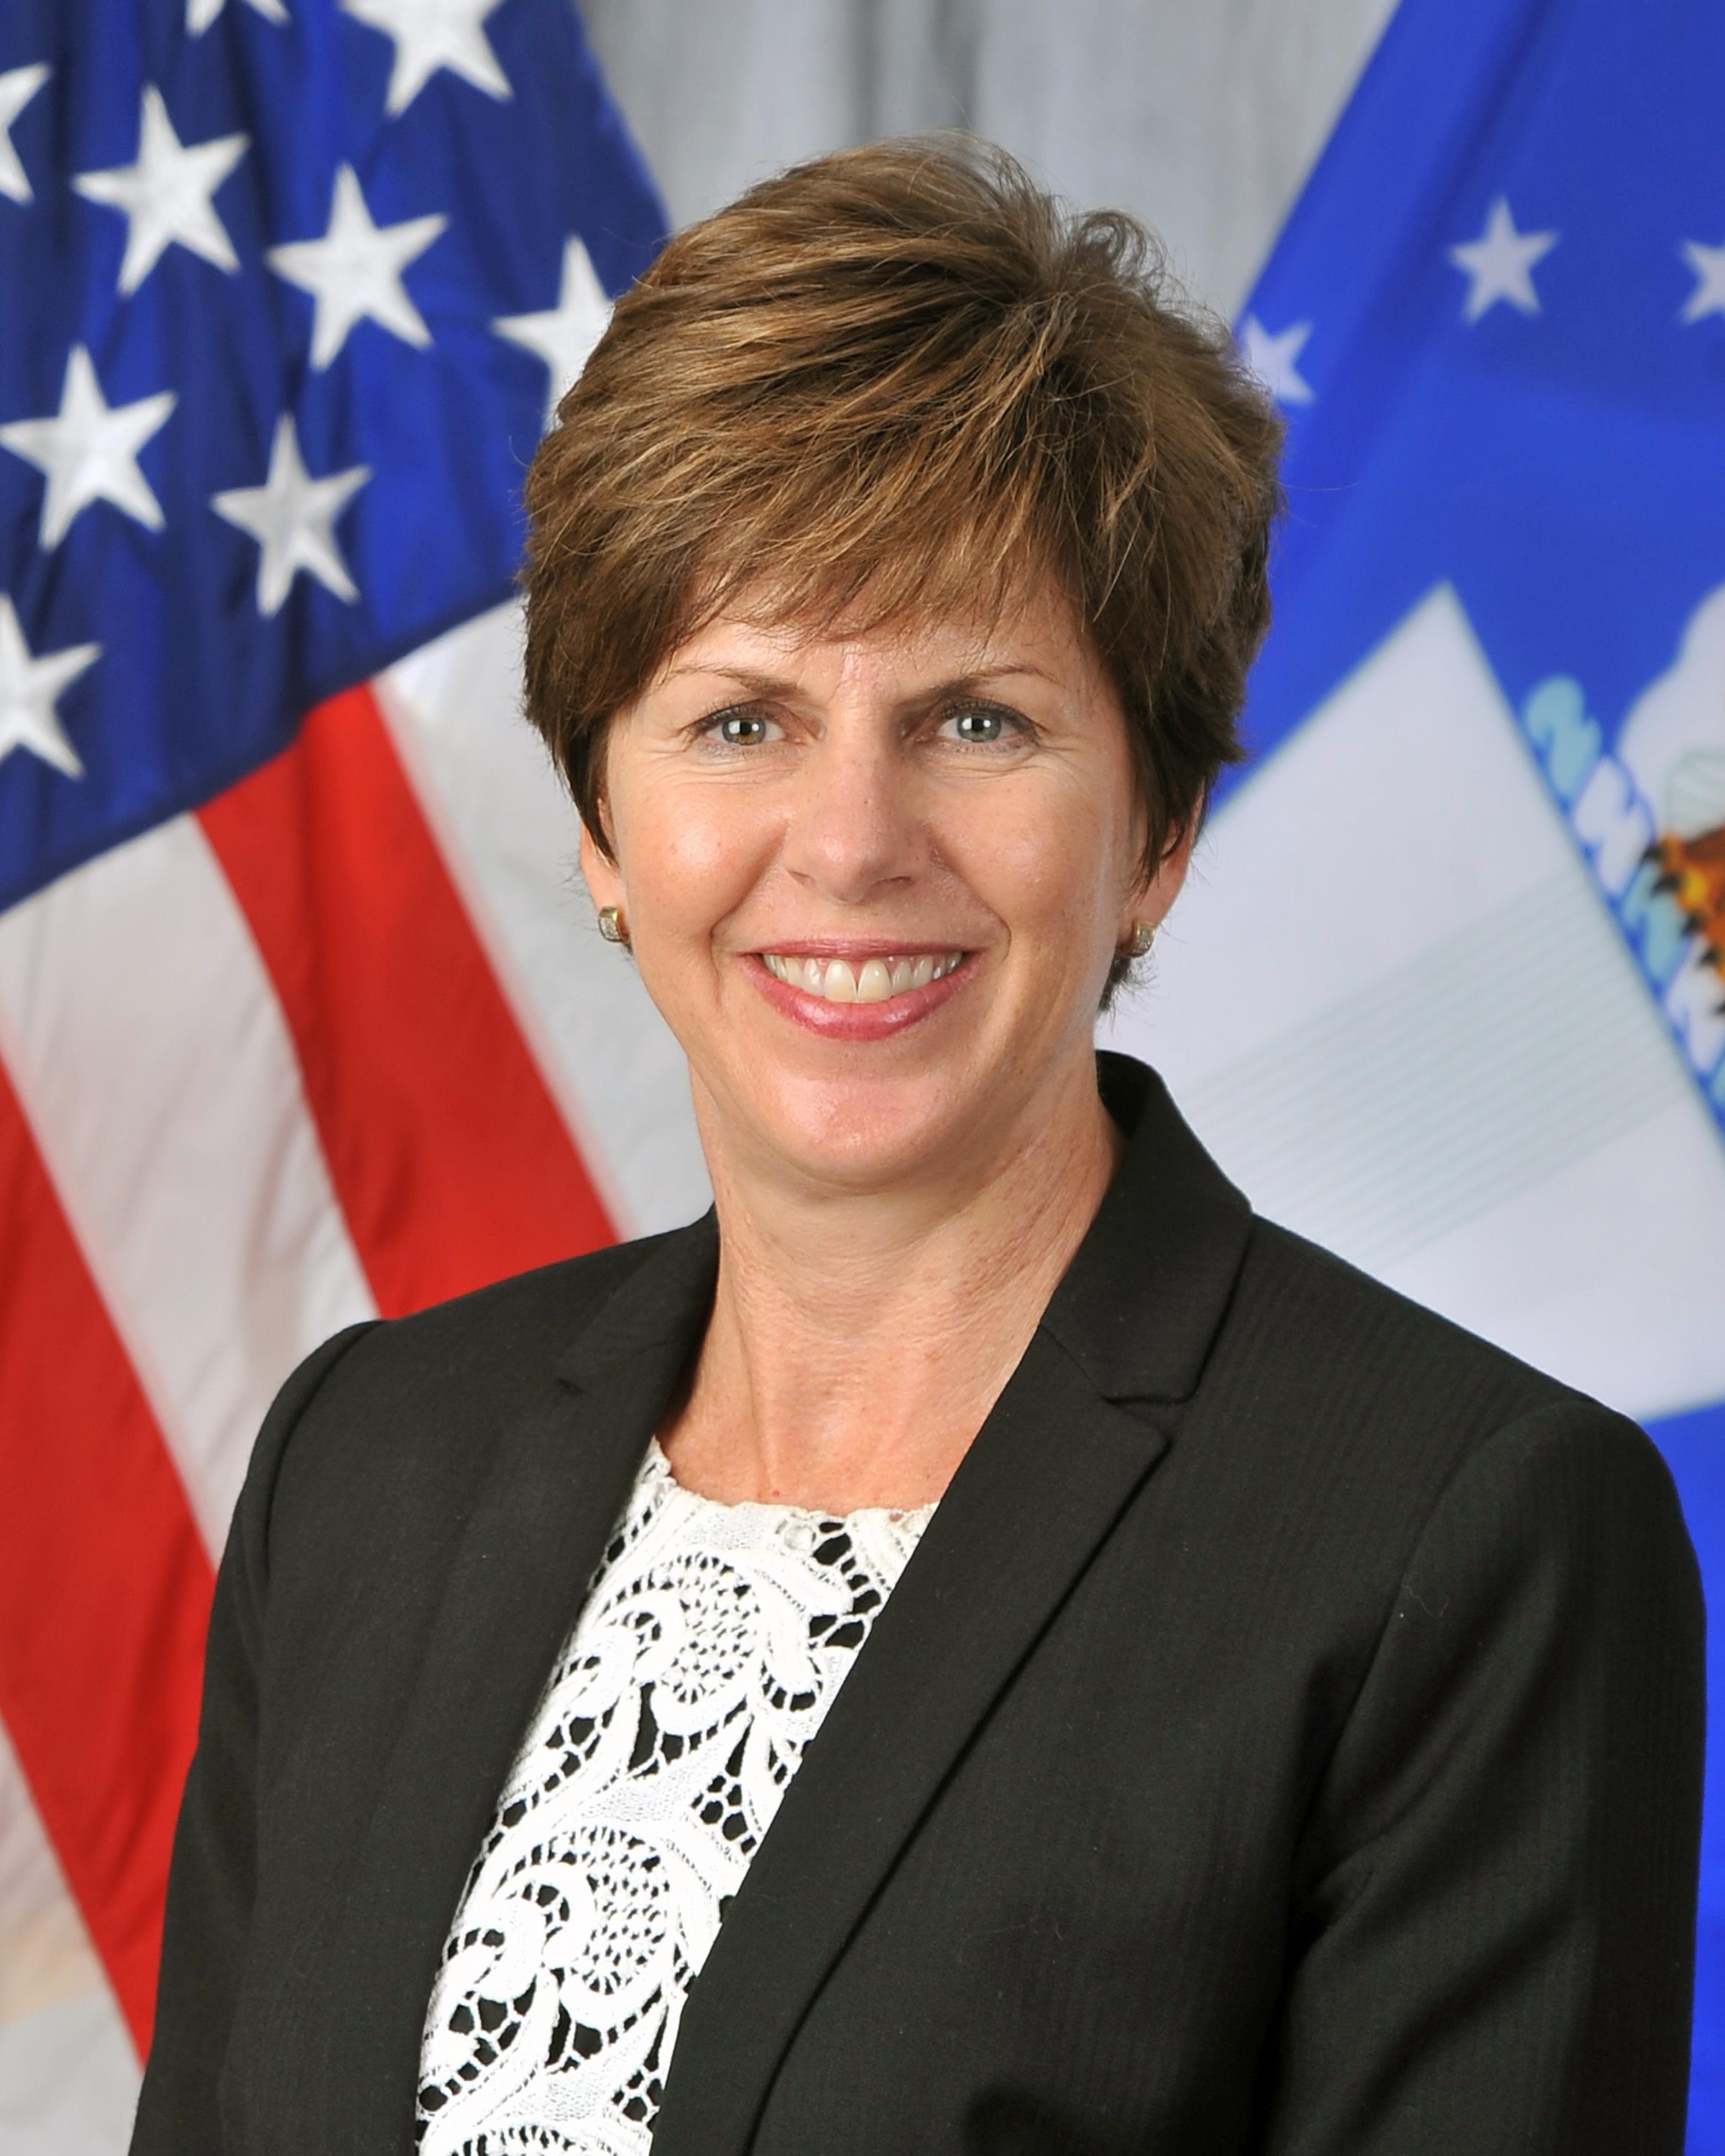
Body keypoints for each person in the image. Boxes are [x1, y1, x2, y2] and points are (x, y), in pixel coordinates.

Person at [129, 139, 1703, 2156]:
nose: (854, 843)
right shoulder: (369, 1465)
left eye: (976, 721)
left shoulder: (1462, 1541)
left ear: (1160, 830)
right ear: (603, 827)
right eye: (741, 720)